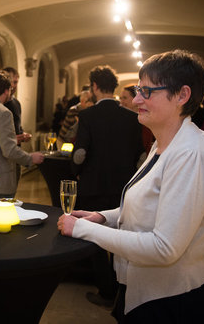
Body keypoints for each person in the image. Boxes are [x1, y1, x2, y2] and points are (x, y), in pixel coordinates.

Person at [58, 50, 204, 324]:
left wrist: (85, 229)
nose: (136, 99)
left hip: (172, 299)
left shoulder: (192, 151)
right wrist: (102, 217)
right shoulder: (162, 143)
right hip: (144, 290)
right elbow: (146, 207)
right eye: (138, 90)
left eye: (147, 91)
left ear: (182, 95)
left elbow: (164, 248)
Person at [71, 65, 144, 308]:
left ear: (93, 87)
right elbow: (139, 155)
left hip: (93, 185)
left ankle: (105, 289)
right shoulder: (132, 118)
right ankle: (122, 289)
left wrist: (75, 172)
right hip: (123, 187)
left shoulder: (88, 115)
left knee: (95, 237)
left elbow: (80, 153)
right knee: (122, 235)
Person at [0, 71, 45, 197]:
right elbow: (9, 150)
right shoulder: (3, 112)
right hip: (0, 181)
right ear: (6, 90)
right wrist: (30, 158)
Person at [120, 84, 155, 154]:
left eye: (125, 98)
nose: (121, 102)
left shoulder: (145, 120)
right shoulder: (122, 121)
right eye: (121, 98)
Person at [3, 67, 32, 145]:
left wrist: (23, 134)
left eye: (15, 82)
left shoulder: (16, 103)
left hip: (15, 150)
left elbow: (17, 126)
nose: (12, 86)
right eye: (10, 82)